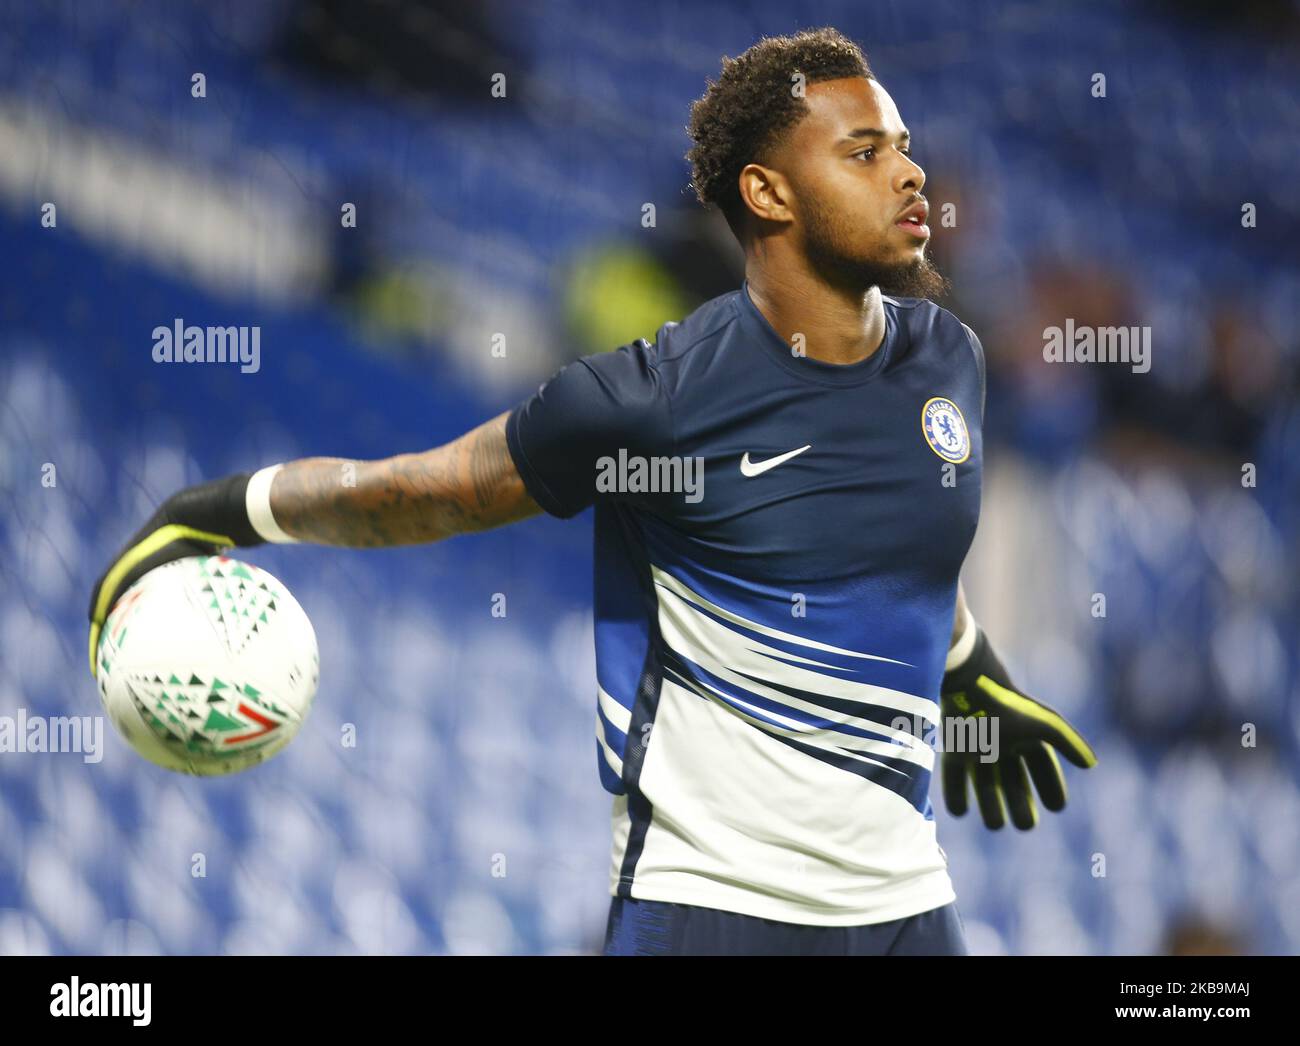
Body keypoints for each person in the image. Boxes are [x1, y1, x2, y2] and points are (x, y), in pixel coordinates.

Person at [89, 27, 1096, 956]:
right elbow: (418, 492)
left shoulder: (943, 359)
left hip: (902, 904)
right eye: (863, 152)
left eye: (902, 145)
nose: (909, 173)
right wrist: (216, 510)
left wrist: (967, 668)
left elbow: (893, 537)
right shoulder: (653, 393)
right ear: (768, 195)